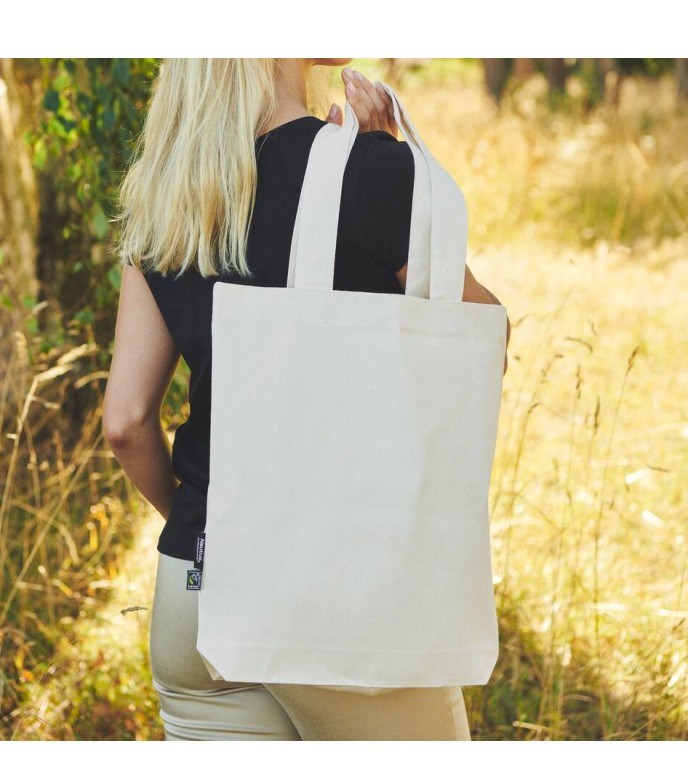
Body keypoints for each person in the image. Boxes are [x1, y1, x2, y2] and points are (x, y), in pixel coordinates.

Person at [103, 58, 511, 741]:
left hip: (192, 591)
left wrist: (218, 527)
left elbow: (125, 422)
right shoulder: (374, 171)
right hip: (336, 595)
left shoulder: (165, 193)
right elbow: (483, 346)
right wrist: (382, 173)